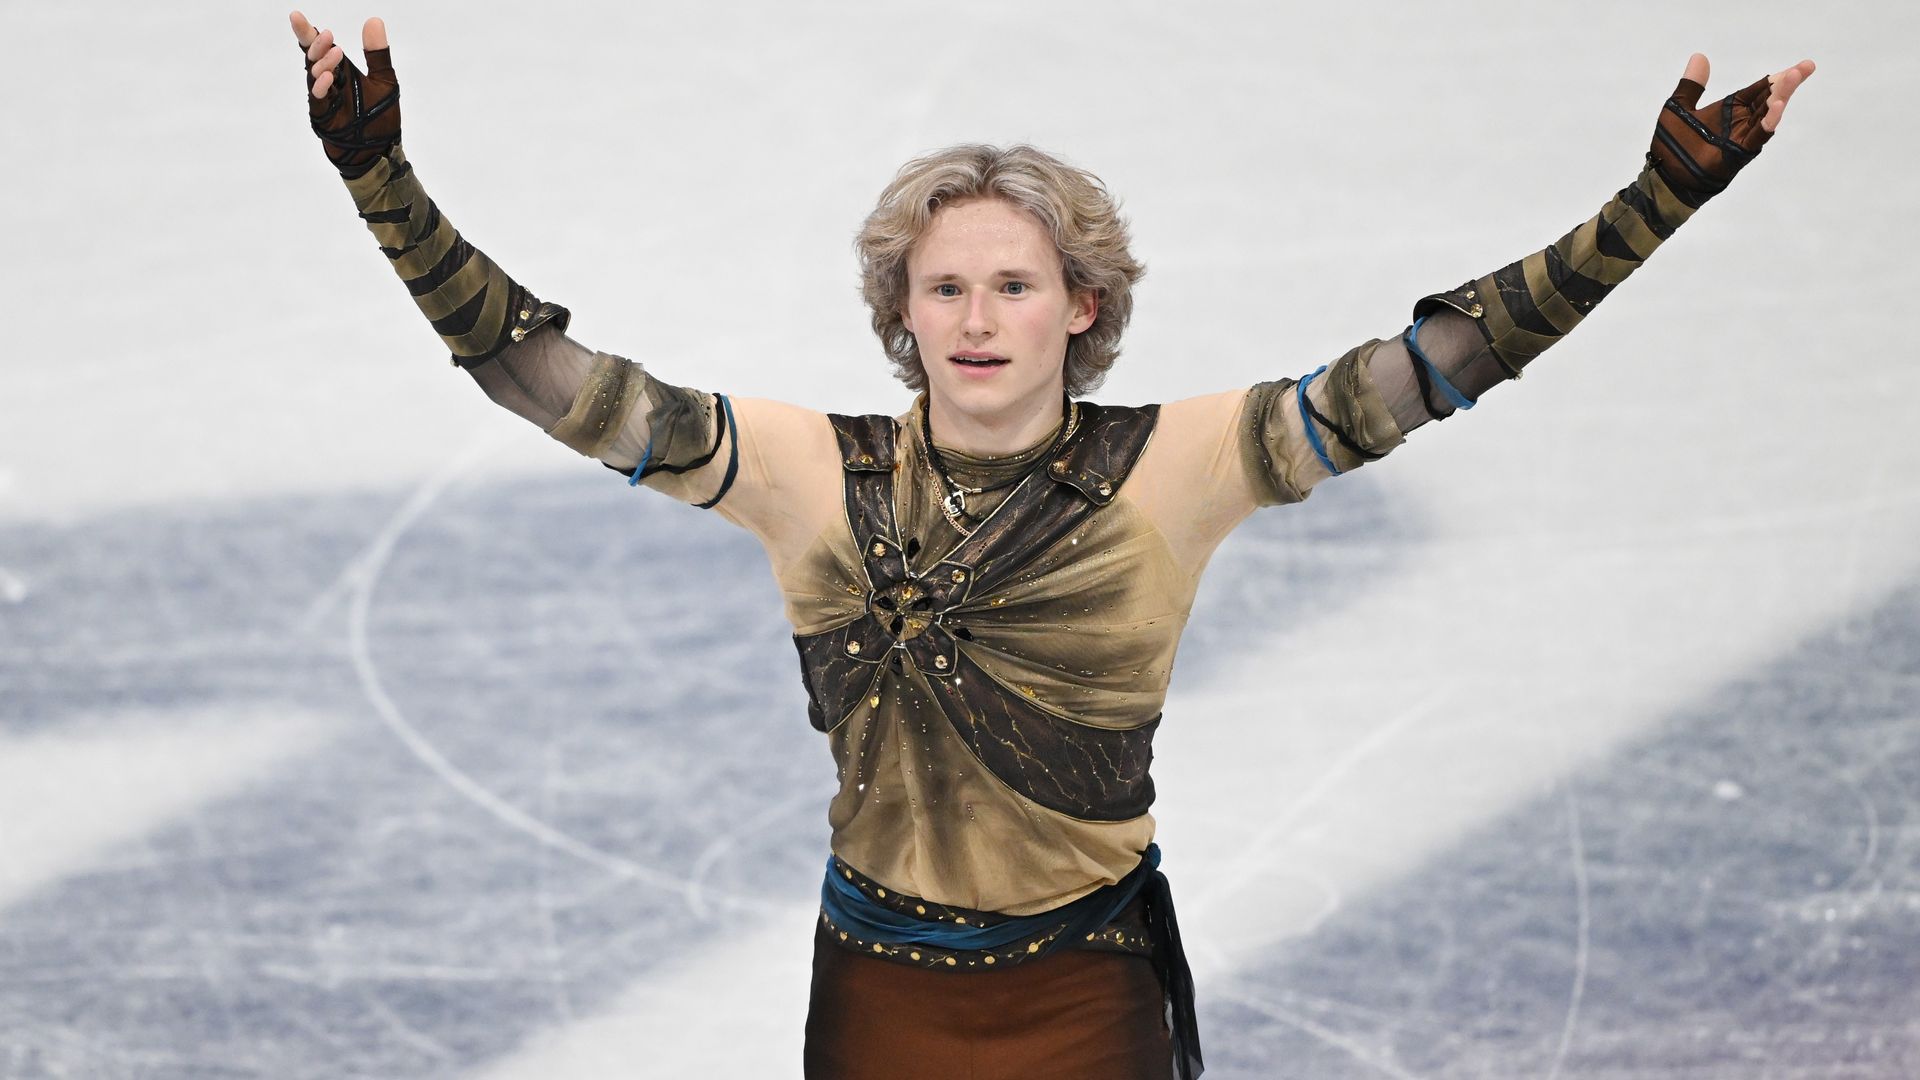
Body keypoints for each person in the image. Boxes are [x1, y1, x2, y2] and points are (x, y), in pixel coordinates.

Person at [288, 12, 1813, 1078]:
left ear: (1081, 304)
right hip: (880, 993)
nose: (976, 319)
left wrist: (1651, 205)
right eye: (945, 290)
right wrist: (381, 183)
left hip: (1088, 993)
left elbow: (1432, 367)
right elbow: (540, 380)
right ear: (902, 315)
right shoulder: (811, 475)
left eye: (1013, 286)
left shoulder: (1180, 468)